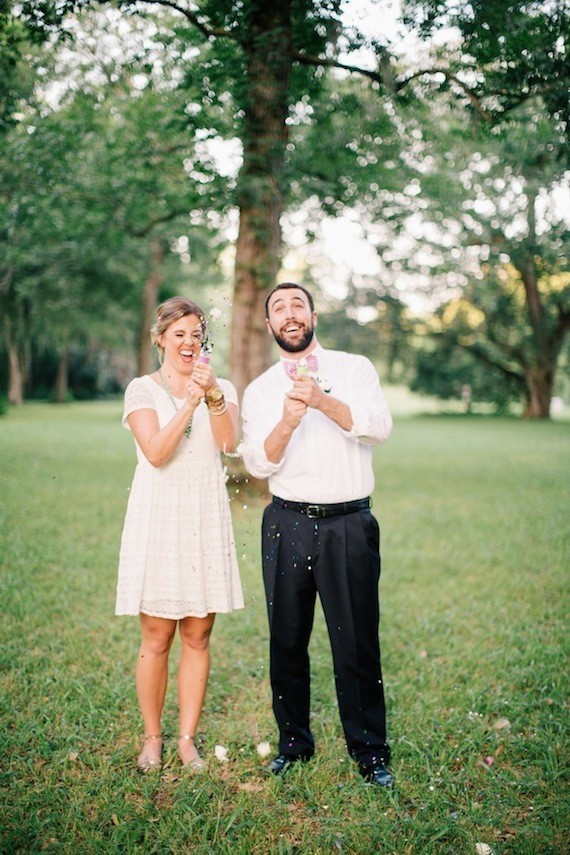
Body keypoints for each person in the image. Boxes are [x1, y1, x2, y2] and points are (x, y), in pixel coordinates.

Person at [240, 282, 394, 787]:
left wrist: (323, 402)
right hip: (286, 523)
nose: (289, 313)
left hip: (348, 523)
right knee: (286, 640)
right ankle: (294, 745)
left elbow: (379, 427)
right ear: (269, 324)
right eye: (278, 307)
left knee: (356, 642)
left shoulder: (354, 368)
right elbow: (258, 461)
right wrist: (287, 421)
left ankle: (370, 752)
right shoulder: (261, 390)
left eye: (297, 305)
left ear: (312, 316)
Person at [116, 296, 244, 773]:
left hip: (204, 513)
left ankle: (187, 740)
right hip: (158, 516)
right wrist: (190, 400)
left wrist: (212, 397)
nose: (189, 343)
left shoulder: (221, 387)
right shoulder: (141, 390)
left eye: (196, 334)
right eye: (179, 334)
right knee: (156, 635)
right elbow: (156, 452)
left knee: (198, 633)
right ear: (161, 339)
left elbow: (229, 444)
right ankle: (153, 738)